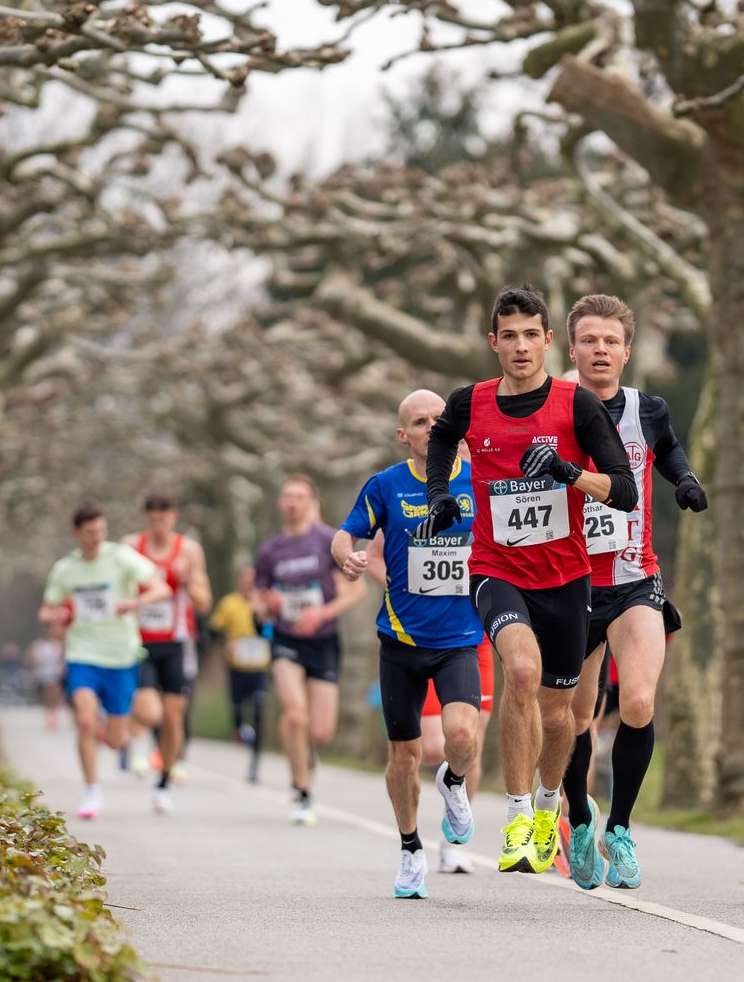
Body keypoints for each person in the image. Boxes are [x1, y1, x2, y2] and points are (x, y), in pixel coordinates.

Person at [415, 285, 636, 874]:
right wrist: (439, 493)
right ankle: (515, 816)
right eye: (507, 335)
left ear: (547, 341)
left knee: (561, 714)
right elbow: (440, 437)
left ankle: (546, 805)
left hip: (566, 576)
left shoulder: (575, 406)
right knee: (520, 671)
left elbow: (626, 489)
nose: (519, 346)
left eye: (530, 335)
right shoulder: (469, 404)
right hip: (495, 568)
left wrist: (568, 472)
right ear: (494, 342)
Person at [559, 294, 706, 889]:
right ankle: (579, 817)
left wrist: (685, 479)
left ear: (626, 351)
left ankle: (619, 827)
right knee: (573, 718)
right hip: (567, 586)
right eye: (589, 340)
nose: (600, 350)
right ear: (571, 350)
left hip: (633, 580)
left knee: (639, 702)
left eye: (610, 341)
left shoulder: (648, 408)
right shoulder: (550, 411)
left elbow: (666, 448)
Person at [332, 389, 488, 897]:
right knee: (403, 755)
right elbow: (344, 534)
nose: (430, 427)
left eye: (439, 419)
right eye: (419, 422)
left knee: (462, 739)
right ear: (405, 435)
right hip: (400, 640)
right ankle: (410, 850)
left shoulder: (478, 478)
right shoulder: (386, 485)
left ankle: (455, 781)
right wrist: (346, 557)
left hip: (460, 638)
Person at [39, 502, 170, 820]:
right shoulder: (65, 569)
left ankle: (125, 738)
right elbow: (46, 609)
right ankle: (92, 792)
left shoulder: (121, 558)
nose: (96, 537)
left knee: (113, 741)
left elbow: (161, 588)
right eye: (89, 532)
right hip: (82, 653)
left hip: (121, 655)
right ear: (77, 534)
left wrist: (135, 602)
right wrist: (54, 615)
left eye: (100, 531)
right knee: (84, 719)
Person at [255, 474, 369, 824]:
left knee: (319, 731)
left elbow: (357, 591)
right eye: (287, 496)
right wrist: (267, 602)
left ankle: (304, 753)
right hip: (286, 640)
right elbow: (258, 598)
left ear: (310, 502)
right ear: (280, 503)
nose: (292, 503)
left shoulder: (325, 540)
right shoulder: (270, 550)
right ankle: (302, 790)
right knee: (295, 712)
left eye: (299, 497)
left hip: (323, 640)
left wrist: (321, 613)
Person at [123, 494, 213, 814]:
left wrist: (186, 578)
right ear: (147, 518)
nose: (159, 524)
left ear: (174, 517)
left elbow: (204, 603)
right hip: (141, 640)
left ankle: (163, 783)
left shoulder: (189, 551)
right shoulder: (131, 547)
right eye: (153, 518)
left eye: (164, 517)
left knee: (174, 716)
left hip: (177, 641)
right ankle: (136, 738)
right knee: (150, 711)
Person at [209, 564, 272, 782]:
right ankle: (240, 730)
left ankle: (255, 763)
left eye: (252, 579)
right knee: (236, 711)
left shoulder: (265, 602)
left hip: (261, 667)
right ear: (239, 581)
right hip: (237, 667)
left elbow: (275, 628)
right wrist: (226, 643)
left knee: (259, 708)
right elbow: (213, 631)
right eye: (245, 579)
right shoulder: (229, 603)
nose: (249, 583)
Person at [28, 625, 66, 733]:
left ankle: (54, 716)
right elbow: (32, 657)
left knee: (54, 694)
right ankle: (49, 715)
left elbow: (63, 657)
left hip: (56, 673)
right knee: (47, 696)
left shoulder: (58, 645)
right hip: (43, 673)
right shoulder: (39, 645)